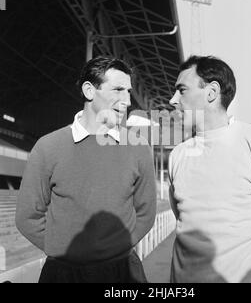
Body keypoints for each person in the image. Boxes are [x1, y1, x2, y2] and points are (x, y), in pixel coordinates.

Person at [16, 56, 157, 283]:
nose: (128, 101)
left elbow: (146, 213)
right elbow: (27, 217)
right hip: (62, 275)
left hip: (122, 273)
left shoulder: (139, 148)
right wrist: (64, 251)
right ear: (89, 91)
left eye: (128, 91)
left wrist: (116, 248)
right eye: (118, 89)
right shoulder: (47, 146)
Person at [168, 55, 251, 283]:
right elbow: (183, 220)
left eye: (182, 90)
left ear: (211, 92)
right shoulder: (177, 156)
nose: (172, 100)